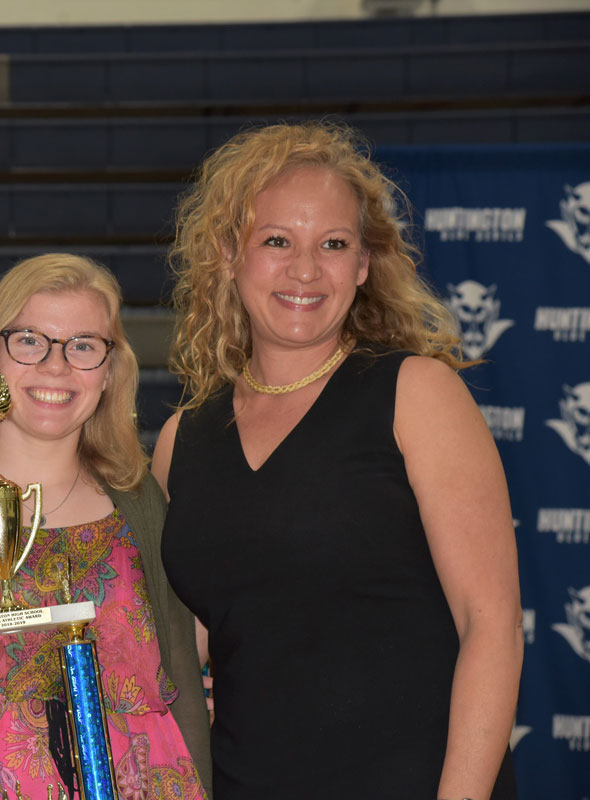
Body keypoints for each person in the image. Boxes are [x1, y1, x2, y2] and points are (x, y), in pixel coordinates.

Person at [152, 122, 523, 799]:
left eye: (333, 244)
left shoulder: (416, 394)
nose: (305, 269)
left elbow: (491, 625)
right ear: (230, 255)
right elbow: (189, 643)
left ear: (363, 264)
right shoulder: (183, 439)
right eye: (276, 241)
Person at [0, 254, 212, 800]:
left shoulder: (141, 505)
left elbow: (182, 690)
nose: (56, 366)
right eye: (30, 340)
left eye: (82, 345)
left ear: (109, 371)